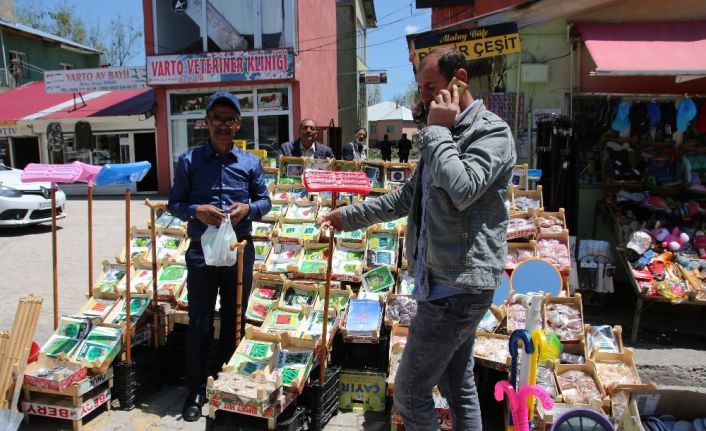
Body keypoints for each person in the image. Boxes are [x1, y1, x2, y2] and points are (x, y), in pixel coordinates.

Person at [318, 47, 516, 430]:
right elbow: (408, 197)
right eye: (421, 87)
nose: (424, 95)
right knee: (457, 384)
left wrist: (438, 130)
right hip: (442, 283)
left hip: (458, 287)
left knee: (409, 394)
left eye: (431, 86)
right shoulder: (444, 133)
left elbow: (463, 188)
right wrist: (348, 216)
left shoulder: (490, 131)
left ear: (459, 78)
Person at [168, 91, 272, 422]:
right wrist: (196, 210)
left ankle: (228, 386)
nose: (223, 125)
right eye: (217, 119)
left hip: (239, 250)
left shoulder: (250, 162)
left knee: (234, 319)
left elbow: (265, 201)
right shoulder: (188, 161)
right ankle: (196, 390)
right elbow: (174, 203)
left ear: (238, 123)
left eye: (230, 120)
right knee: (199, 321)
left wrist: (249, 209)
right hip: (202, 250)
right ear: (207, 123)